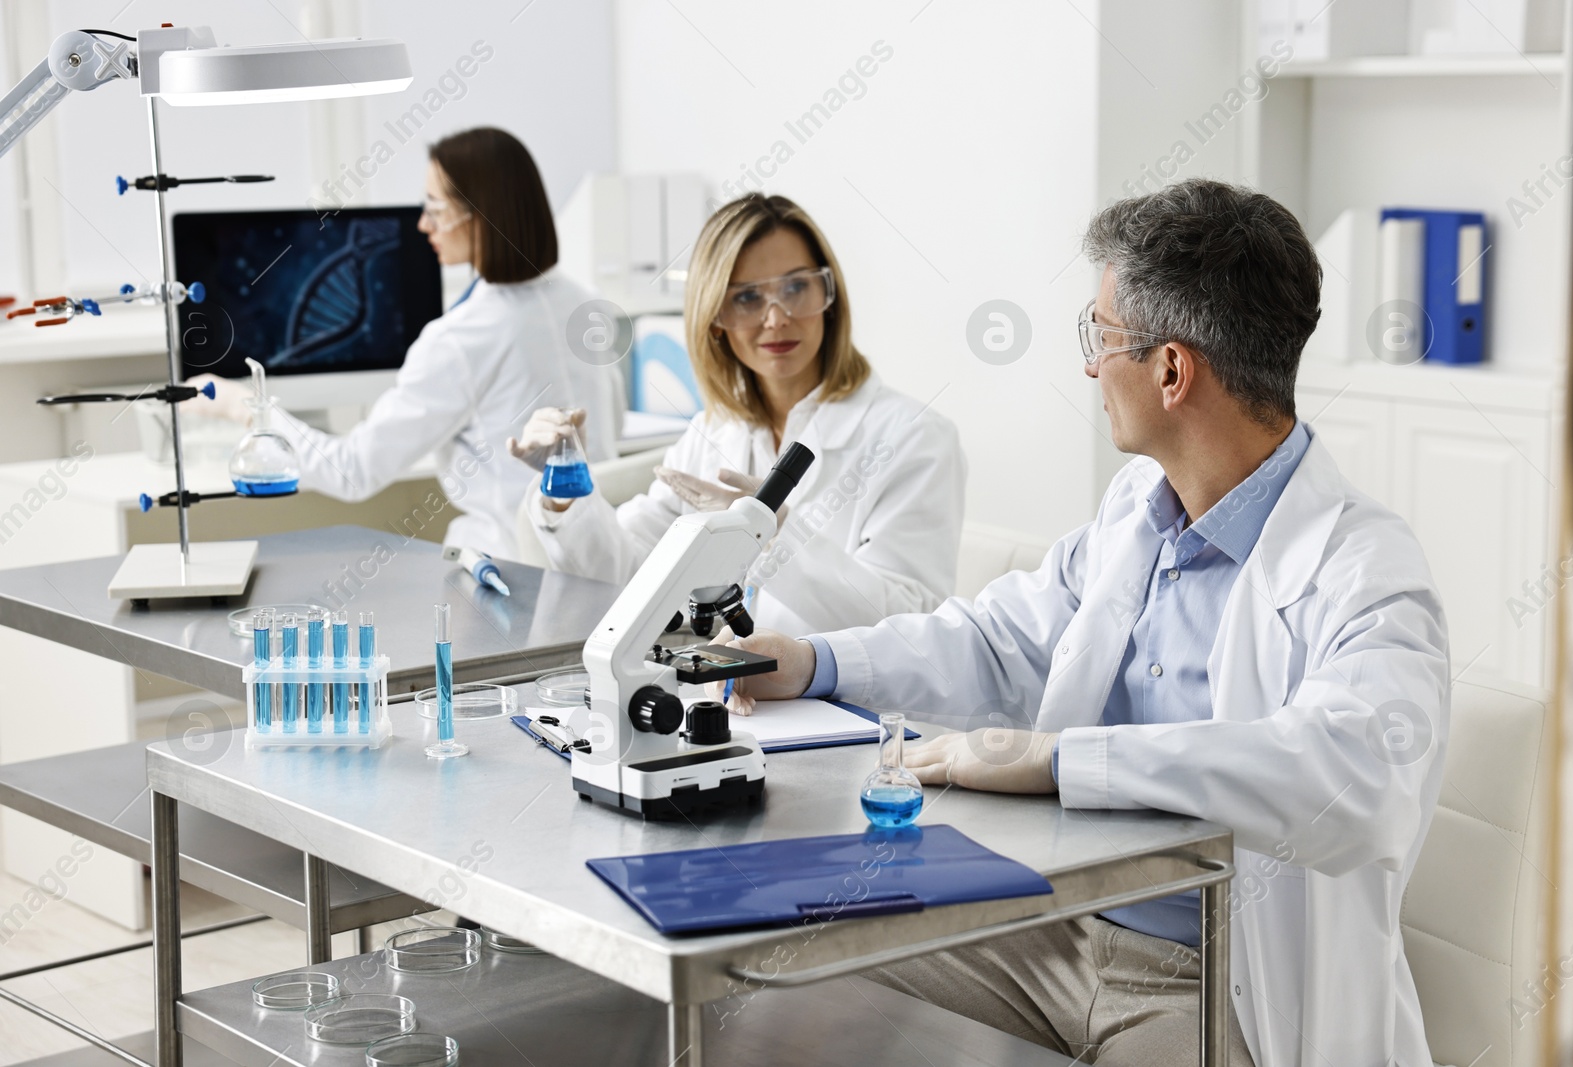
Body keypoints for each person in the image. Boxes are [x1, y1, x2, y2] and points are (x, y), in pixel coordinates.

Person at [726, 180, 1449, 1066]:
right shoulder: (1135, 511)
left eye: (1099, 338)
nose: (1087, 365)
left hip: (1214, 973)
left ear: (1171, 370)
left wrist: (1062, 762)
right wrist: (809, 662)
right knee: (779, 976)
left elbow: (1360, 781)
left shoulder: (1364, 566)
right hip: (1048, 930)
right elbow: (998, 638)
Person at [509, 193, 966, 636]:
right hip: (740, 701)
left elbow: (910, 626)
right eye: (747, 298)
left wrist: (773, 532)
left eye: (795, 287)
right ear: (715, 320)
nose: (776, 318)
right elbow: (626, 571)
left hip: (853, 706)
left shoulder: (915, 438)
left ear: (830, 296)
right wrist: (567, 487)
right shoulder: (716, 431)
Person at [190, 127, 622, 560]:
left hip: (516, 569)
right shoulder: (585, 306)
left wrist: (241, 405)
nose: (422, 224)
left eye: (434, 208)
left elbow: (352, 471)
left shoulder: (460, 338)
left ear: (477, 215)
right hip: (599, 557)